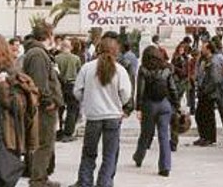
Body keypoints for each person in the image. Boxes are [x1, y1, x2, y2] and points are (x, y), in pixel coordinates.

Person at [0, 33, 40, 187]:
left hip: (6, 134)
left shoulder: (7, 73)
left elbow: (17, 105)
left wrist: (0, 86)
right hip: (0, 132)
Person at [72, 37, 132, 187]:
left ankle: (85, 182)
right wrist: (119, 104)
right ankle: (104, 183)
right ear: (116, 51)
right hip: (113, 116)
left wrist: (87, 100)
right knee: (110, 154)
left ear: (98, 49)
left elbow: (77, 91)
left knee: (88, 153)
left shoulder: (87, 68)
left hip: (93, 115)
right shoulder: (120, 70)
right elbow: (126, 94)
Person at [23, 22, 64, 187]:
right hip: (44, 108)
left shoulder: (38, 52)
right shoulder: (38, 54)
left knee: (46, 143)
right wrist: (49, 101)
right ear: (48, 35)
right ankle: (38, 179)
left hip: (45, 107)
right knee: (44, 143)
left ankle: (42, 176)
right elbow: (40, 83)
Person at [133, 45, 179, 177]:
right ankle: (165, 166)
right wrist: (176, 105)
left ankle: (139, 156)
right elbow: (173, 89)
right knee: (164, 136)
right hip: (165, 104)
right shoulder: (167, 69)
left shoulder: (143, 70)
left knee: (145, 134)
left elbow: (140, 91)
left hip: (149, 105)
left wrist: (138, 108)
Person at [193, 42, 221, 147]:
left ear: (209, 49)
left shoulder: (214, 61)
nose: (201, 49)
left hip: (209, 93)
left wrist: (205, 90)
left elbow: (215, 79)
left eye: (203, 48)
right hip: (203, 91)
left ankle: (209, 137)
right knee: (200, 115)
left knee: (207, 115)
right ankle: (204, 136)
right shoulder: (204, 60)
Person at [55, 38, 82, 143]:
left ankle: (59, 131)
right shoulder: (76, 58)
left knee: (59, 110)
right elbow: (79, 71)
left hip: (60, 85)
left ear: (61, 47)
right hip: (72, 85)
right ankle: (68, 133)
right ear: (70, 47)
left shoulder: (56, 58)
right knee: (72, 109)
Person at [170, 43, 189, 151]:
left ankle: (173, 142)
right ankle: (173, 142)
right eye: (180, 48)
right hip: (177, 86)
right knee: (175, 115)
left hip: (181, 85)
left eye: (183, 49)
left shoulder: (185, 58)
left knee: (175, 115)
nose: (181, 50)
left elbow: (185, 72)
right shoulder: (176, 58)